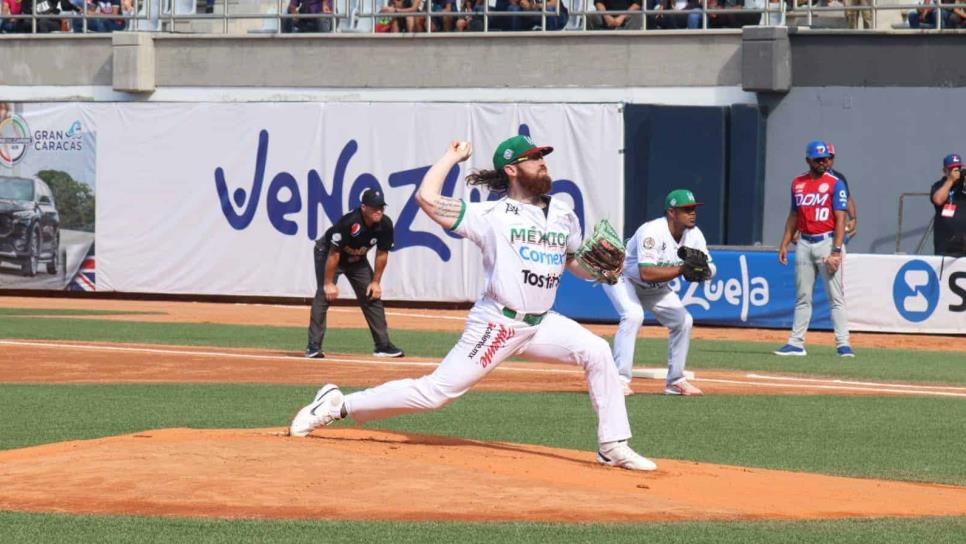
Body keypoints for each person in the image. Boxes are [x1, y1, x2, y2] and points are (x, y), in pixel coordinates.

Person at [289, 136, 658, 471]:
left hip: (541, 323)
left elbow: (573, 262)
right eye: (533, 158)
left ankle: (613, 444)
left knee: (597, 351)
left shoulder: (563, 211)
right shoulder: (490, 216)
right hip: (498, 322)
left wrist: (601, 272)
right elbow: (427, 199)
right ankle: (337, 404)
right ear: (511, 170)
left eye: (542, 156)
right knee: (435, 393)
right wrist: (450, 156)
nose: (543, 162)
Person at [602, 189, 712, 397]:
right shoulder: (652, 231)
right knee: (633, 316)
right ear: (672, 212)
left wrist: (705, 270)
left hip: (657, 288)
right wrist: (682, 269)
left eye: (694, 209)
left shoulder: (694, 234)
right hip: (625, 279)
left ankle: (675, 381)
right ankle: (619, 380)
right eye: (686, 209)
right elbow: (646, 273)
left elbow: (710, 266)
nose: (692, 213)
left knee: (683, 321)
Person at [774, 140, 854, 358]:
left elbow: (840, 218)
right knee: (802, 296)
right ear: (808, 160)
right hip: (804, 243)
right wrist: (783, 242)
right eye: (818, 159)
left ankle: (843, 344)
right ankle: (796, 343)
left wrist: (837, 250)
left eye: (826, 158)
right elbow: (793, 215)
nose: (823, 162)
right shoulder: (797, 183)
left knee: (835, 296)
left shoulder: (835, 183)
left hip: (827, 242)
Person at [304, 189, 404, 359]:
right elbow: (334, 253)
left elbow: (382, 253)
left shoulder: (385, 224)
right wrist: (328, 283)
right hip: (328, 253)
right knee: (324, 295)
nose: (379, 211)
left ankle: (383, 346)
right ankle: (313, 346)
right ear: (364, 207)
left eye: (381, 207)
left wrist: (375, 282)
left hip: (357, 258)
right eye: (374, 207)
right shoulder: (349, 222)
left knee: (372, 295)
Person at [930, 153, 966, 257]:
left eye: (958, 168)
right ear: (945, 171)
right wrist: (950, 180)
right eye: (952, 169)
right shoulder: (939, 185)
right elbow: (938, 200)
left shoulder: (963, 184)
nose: (956, 172)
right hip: (946, 248)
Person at [826, 143, 857, 242]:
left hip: (834, 228)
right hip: (814, 230)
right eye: (823, 158)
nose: (826, 161)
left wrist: (853, 218)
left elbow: (847, 199)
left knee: (837, 253)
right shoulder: (808, 179)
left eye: (830, 158)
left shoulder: (839, 178)